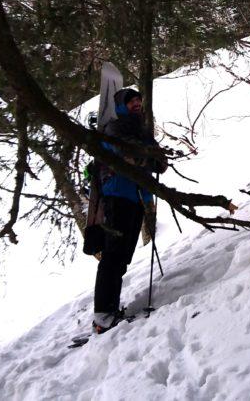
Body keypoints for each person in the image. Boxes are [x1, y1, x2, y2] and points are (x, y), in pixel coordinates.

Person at [92, 87, 167, 333]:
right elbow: (130, 155)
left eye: (138, 99)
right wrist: (149, 158)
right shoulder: (115, 128)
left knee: (122, 257)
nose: (136, 103)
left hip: (134, 197)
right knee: (113, 257)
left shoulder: (140, 128)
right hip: (117, 197)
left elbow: (160, 161)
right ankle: (103, 315)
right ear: (121, 106)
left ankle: (110, 310)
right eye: (130, 100)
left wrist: (154, 159)